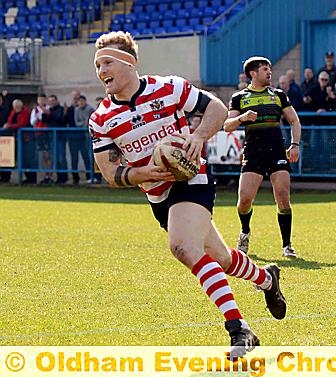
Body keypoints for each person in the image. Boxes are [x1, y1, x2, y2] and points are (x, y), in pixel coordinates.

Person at [90, 32, 286, 360]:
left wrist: (197, 136)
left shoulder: (166, 87)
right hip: (157, 196)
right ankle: (267, 279)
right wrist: (142, 174)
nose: (101, 70)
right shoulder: (101, 119)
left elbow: (217, 109)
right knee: (221, 259)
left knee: (183, 247)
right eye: (97, 65)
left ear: (130, 63)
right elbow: (110, 173)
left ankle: (239, 329)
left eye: (107, 62)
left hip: (192, 179)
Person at [224, 56, 302, 258]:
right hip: (253, 152)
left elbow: (294, 121)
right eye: (265, 69)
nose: (270, 73)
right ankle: (245, 232)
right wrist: (242, 118)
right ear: (253, 73)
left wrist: (294, 145)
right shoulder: (239, 98)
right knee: (245, 200)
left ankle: (287, 245)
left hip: (277, 151)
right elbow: (227, 126)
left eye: (270, 69)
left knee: (283, 198)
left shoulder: (278, 95)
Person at [3, 99, 36, 184]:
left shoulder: (25, 112)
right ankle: (25, 177)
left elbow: (22, 124)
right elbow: (10, 121)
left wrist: (10, 126)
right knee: (20, 158)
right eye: (15, 106)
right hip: (16, 138)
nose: (16, 108)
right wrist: (8, 125)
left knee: (28, 158)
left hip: (26, 138)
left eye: (17, 106)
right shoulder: (13, 112)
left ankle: (31, 178)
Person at [43, 94, 68, 184]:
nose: (52, 102)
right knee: (55, 158)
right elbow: (45, 121)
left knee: (61, 157)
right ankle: (58, 177)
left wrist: (49, 115)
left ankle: (64, 177)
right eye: (50, 101)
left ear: (57, 101)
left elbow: (60, 120)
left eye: (53, 100)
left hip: (60, 136)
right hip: (51, 137)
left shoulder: (60, 109)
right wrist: (44, 114)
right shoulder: (48, 110)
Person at [31, 94, 54, 185]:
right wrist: (38, 116)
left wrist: (43, 113)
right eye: (39, 100)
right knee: (43, 156)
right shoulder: (35, 110)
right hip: (39, 134)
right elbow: (32, 122)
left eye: (42, 100)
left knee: (48, 155)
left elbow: (47, 119)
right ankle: (45, 175)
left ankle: (50, 175)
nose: (41, 102)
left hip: (47, 134)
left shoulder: (48, 108)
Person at [73, 95, 94, 183]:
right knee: (79, 156)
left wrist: (82, 124)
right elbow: (76, 122)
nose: (81, 103)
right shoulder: (76, 110)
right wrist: (82, 124)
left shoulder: (89, 109)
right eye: (79, 101)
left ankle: (92, 176)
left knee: (89, 157)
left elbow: (86, 122)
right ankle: (83, 177)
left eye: (82, 101)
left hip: (88, 136)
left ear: (85, 101)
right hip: (80, 136)